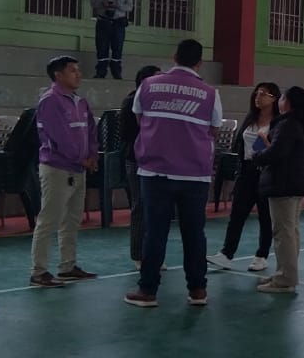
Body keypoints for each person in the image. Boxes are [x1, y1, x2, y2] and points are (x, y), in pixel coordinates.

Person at [124, 39, 223, 309]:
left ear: (173, 56)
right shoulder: (210, 93)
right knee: (194, 234)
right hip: (195, 175)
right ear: (200, 62)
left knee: (155, 232)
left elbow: (140, 121)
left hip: (155, 172)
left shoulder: (148, 85)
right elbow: (214, 130)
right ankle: (198, 290)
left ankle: (147, 291)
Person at [28, 55, 98, 288]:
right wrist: (82, 159)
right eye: (72, 71)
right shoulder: (50, 101)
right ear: (58, 75)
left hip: (79, 169)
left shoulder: (80, 101)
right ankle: (39, 271)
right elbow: (61, 138)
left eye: (78, 70)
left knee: (72, 220)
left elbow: (90, 131)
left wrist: (93, 155)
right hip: (57, 169)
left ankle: (67, 266)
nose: (78, 74)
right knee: (49, 220)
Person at [207, 81, 279, 272]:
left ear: (274, 99)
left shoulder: (278, 123)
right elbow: (241, 144)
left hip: (265, 171)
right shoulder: (250, 118)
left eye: (263, 94)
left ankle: (261, 255)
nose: (258, 97)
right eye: (257, 93)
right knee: (237, 214)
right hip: (247, 171)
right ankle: (226, 254)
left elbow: (276, 149)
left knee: (265, 216)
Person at [252, 86, 304, 295]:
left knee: (283, 232)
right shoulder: (301, 123)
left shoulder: (287, 124)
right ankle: (285, 272)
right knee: (291, 231)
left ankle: (285, 279)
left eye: (283, 98)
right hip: (294, 183)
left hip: (284, 183)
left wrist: (258, 155)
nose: (280, 101)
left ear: (288, 102)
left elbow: (276, 153)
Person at [119, 65, 162, 269]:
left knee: (157, 208)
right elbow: (128, 134)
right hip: (137, 160)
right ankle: (138, 254)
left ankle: (153, 253)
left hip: (157, 161)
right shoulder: (131, 102)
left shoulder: (160, 103)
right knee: (140, 206)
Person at [90, 0, 134, 80]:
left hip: (118, 22)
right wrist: (102, 4)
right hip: (103, 21)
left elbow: (130, 7)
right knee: (101, 47)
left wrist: (118, 6)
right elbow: (92, 2)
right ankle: (101, 72)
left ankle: (116, 72)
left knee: (117, 48)